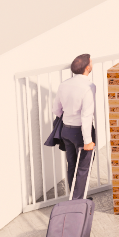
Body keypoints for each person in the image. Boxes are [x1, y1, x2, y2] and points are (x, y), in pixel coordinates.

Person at [47, 54, 96, 189]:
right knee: (83, 167)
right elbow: (86, 115)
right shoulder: (89, 86)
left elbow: (56, 109)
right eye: (91, 62)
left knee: (72, 165)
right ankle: (78, 201)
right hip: (80, 132)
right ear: (87, 67)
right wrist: (88, 140)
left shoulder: (64, 84)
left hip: (66, 131)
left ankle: (72, 198)